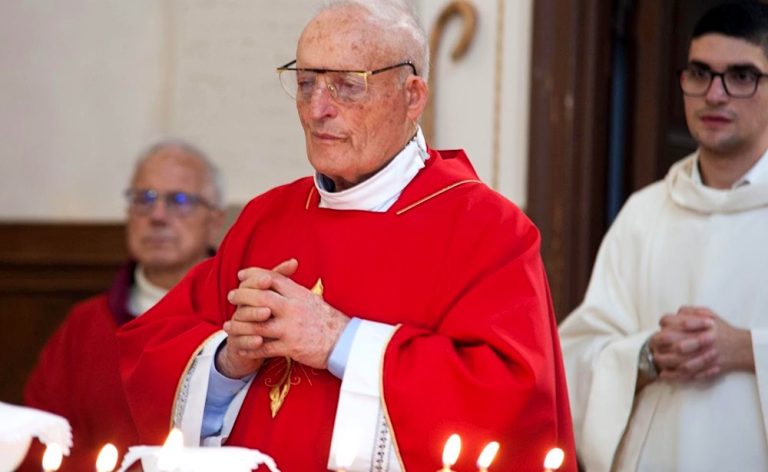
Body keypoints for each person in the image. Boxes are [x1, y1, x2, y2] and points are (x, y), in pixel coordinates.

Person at [118, 1, 576, 470]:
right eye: (305, 83)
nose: (318, 110)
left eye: (346, 86)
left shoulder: (486, 229)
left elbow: (511, 403)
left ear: (412, 96)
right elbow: (151, 353)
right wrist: (228, 361)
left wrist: (341, 342)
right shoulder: (267, 218)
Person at [559, 2, 768, 470]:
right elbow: (573, 359)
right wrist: (646, 354)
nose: (715, 94)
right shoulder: (645, 213)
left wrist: (745, 349)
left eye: (741, 76)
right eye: (700, 73)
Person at [20, 140, 225, 471]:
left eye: (179, 200)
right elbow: (38, 441)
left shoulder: (237, 319)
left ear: (214, 222)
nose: (157, 216)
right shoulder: (84, 326)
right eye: (144, 199)